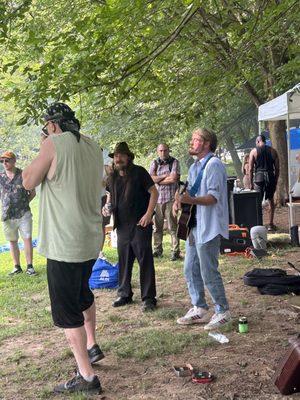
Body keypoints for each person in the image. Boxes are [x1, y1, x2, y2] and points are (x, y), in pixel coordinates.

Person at [22, 103, 103, 395]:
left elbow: (28, 180)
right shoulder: (94, 146)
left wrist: (45, 145)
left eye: (46, 128)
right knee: (82, 294)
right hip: (91, 238)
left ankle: (87, 376)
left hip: (64, 244)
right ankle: (92, 345)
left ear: (53, 125)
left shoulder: (54, 143)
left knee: (68, 311)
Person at [174, 128, 231, 330]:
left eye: (196, 140)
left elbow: (213, 197)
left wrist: (191, 199)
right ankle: (199, 307)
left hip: (209, 226)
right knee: (190, 268)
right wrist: (179, 201)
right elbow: (189, 190)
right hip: (195, 225)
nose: (192, 142)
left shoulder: (214, 165)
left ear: (206, 143)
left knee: (208, 271)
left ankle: (223, 310)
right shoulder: (195, 166)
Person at [103, 142, 158, 311]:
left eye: (121, 155)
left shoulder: (139, 172)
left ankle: (149, 298)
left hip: (140, 224)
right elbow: (110, 196)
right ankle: (124, 294)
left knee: (145, 260)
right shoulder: (112, 177)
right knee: (124, 261)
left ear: (128, 157)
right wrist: (106, 207)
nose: (118, 158)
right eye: (115, 156)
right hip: (122, 225)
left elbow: (154, 192)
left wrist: (149, 215)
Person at [0, 151, 36, 276]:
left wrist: (24, 203)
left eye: (7, 160)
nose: (4, 163)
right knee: (12, 240)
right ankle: (17, 266)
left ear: (14, 161)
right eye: (2, 161)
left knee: (27, 239)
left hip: (23, 213)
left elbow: (32, 192)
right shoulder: (0, 176)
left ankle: (30, 266)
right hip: (7, 215)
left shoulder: (23, 174)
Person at [149, 144, 181, 261]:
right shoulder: (155, 163)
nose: (163, 153)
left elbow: (173, 179)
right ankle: (157, 250)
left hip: (171, 199)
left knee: (173, 227)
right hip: (157, 199)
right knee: (157, 227)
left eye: (165, 150)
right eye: (160, 151)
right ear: (158, 151)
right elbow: (150, 179)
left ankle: (175, 251)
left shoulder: (174, 162)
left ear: (168, 150)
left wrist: (158, 179)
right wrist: (165, 176)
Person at [249, 134, 280, 231]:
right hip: (270, 177)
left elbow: (250, 169)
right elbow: (277, 168)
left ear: (258, 141)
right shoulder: (273, 151)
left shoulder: (253, 151)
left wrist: (250, 183)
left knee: (257, 202)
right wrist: (275, 179)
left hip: (258, 178)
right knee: (271, 200)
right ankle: (270, 224)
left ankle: (259, 224)